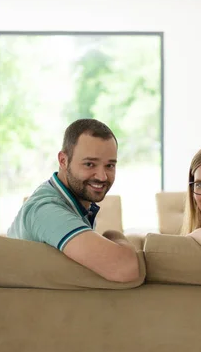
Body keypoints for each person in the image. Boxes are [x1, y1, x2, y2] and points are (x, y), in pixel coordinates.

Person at [7, 119, 140, 282]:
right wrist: (114, 235)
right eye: (90, 164)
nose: (102, 176)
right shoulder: (46, 210)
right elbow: (125, 269)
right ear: (63, 160)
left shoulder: (76, 204)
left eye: (110, 165)